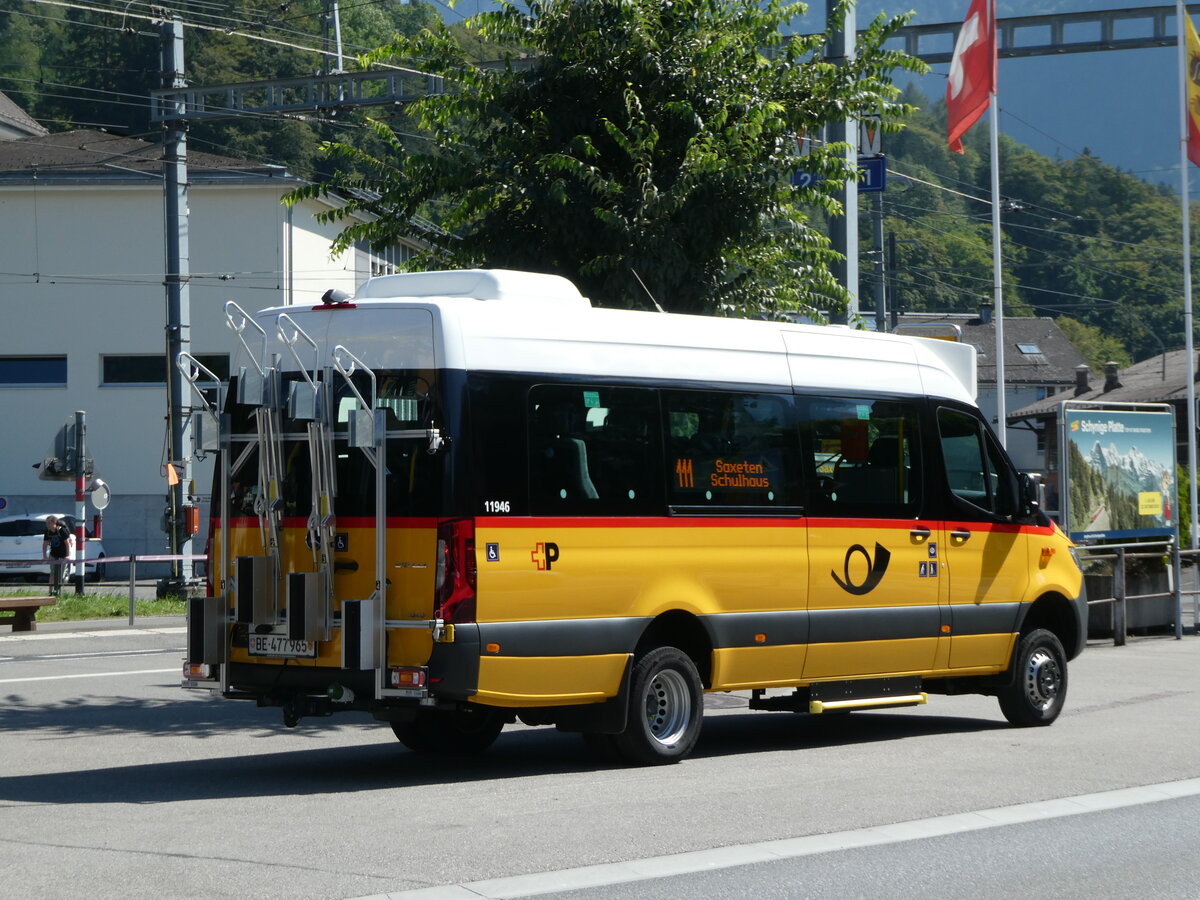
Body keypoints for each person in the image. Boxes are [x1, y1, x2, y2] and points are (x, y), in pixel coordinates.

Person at [42, 515, 75, 595]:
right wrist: (44, 556)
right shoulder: (48, 532)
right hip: (53, 554)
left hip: (63, 555)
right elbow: (45, 544)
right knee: (52, 573)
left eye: (49, 523)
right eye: (47, 523)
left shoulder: (61, 530)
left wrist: (67, 555)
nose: (47, 525)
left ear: (54, 523)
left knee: (60, 575)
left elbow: (67, 543)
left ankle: (57, 591)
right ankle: (50, 591)